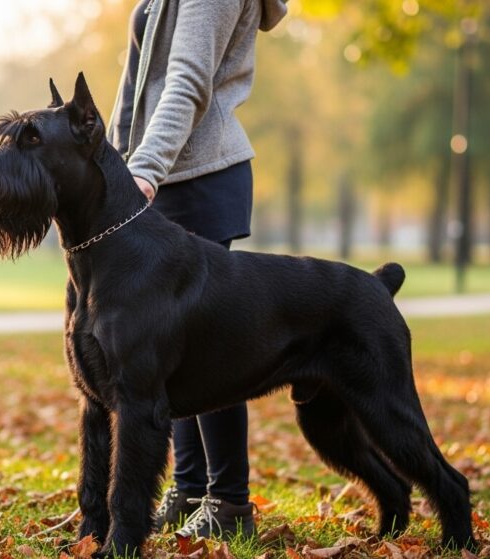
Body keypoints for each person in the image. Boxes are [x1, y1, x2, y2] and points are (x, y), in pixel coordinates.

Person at [107, 0, 288, 540]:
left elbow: (186, 81)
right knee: (169, 349)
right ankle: (188, 491)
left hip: (194, 177)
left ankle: (229, 503)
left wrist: (141, 172)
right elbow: (135, 86)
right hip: (158, 177)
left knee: (212, 349)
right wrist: (115, 165)